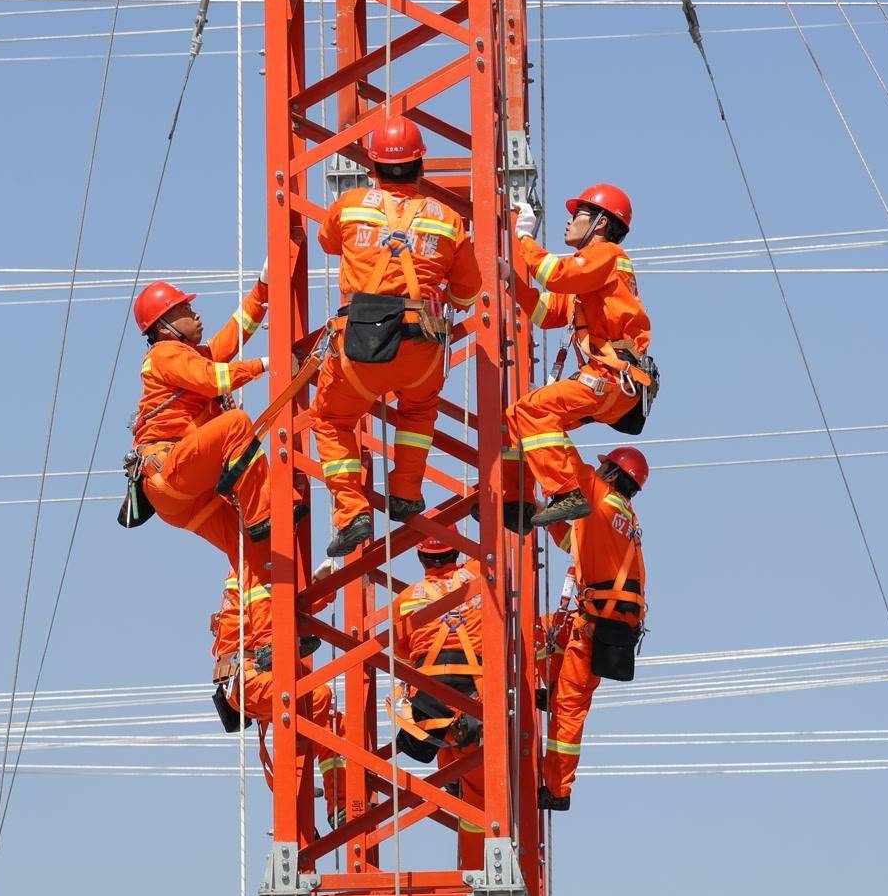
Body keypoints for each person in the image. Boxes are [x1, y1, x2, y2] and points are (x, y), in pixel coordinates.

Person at [312, 114, 482, 558]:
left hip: (360, 349)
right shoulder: (447, 220)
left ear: (373, 166)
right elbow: (469, 291)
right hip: (420, 347)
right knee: (419, 410)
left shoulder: (350, 205)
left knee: (331, 420)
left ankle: (352, 513)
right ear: (421, 166)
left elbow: (328, 241)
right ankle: (405, 492)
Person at [503, 183, 657, 533]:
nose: (569, 222)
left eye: (578, 215)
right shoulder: (590, 277)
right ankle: (519, 501)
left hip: (610, 376)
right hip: (614, 384)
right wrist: (511, 279)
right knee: (517, 418)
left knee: (532, 410)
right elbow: (546, 311)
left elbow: (555, 275)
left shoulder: (606, 256)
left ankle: (567, 492)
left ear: (601, 223)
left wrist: (524, 238)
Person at [126, 277, 275, 565]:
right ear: (162, 327)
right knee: (235, 423)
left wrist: (263, 287)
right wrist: (266, 364)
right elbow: (213, 379)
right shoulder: (165, 353)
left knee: (254, 555)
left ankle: (267, 605)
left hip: (186, 495)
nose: (195, 314)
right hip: (171, 469)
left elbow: (236, 332)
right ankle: (263, 516)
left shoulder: (189, 356)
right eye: (184, 309)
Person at [537, 447, 648, 812]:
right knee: (545, 631)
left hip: (596, 624)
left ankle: (557, 789)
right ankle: (549, 689)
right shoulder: (623, 518)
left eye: (604, 466)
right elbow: (578, 545)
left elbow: (560, 456)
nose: (597, 468)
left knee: (569, 710)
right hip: (611, 624)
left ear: (613, 474)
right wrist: (547, 520)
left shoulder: (600, 495)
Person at [209, 570, 344, 827]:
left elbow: (292, 604)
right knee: (318, 696)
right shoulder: (253, 569)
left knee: (336, 725)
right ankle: (294, 779)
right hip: (250, 677)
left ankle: (342, 805)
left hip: (256, 676)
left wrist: (320, 585)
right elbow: (281, 607)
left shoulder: (259, 566)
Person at [390, 533, 488, 867]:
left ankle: (452, 776)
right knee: (479, 785)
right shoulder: (477, 575)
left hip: (431, 691)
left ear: (420, 559)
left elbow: (403, 651)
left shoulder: (405, 599)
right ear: (456, 553)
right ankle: (479, 869)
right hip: (476, 686)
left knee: (439, 725)